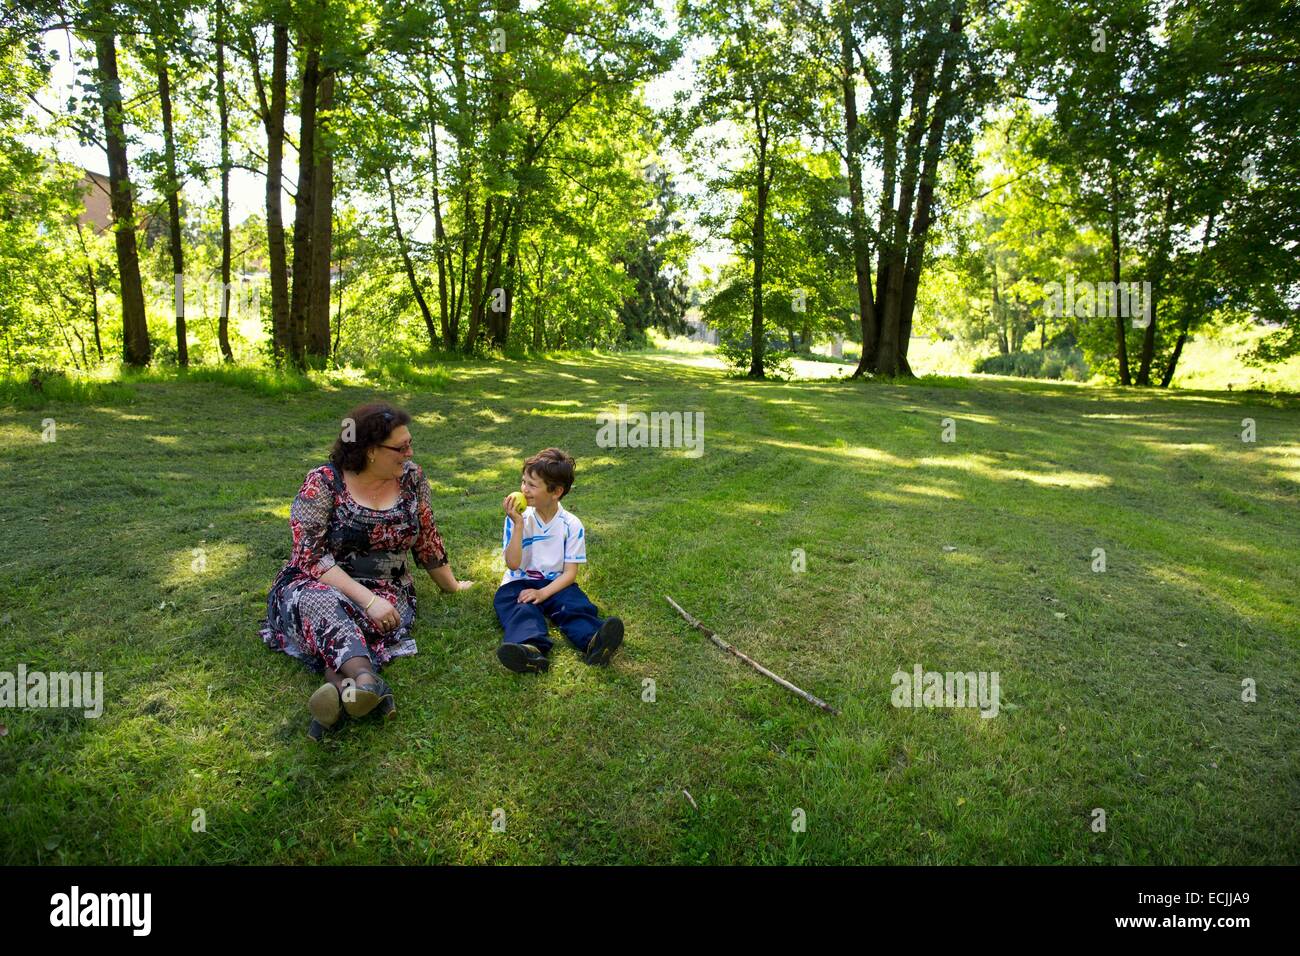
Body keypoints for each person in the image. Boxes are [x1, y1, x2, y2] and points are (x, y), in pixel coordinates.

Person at [259, 401, 473, 740]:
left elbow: (427, 537)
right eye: (400, 447)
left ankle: (346, 688)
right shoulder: (324, 482)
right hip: (316, 581)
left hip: (389, 585)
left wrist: (453, 585)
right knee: (326, 604)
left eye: (410, 444)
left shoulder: (413, 479)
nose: (410, 453)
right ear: (371, 451)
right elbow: (311, 557)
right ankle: (367, 681)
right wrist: (368, 600)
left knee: (360, 618)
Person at [493, 447, 622, 673]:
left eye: (532, 485)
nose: (524, 489)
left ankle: (594, 641)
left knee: (573, 605)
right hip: (519, 582)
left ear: (556, 492)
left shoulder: (571, 524)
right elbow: (513, 564)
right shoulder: (516, 519)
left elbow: (570, 573)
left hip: (557, 582)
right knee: (520, 609)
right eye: (523, 482)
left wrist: (543, 593)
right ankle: (529, 650)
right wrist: (519, 525)